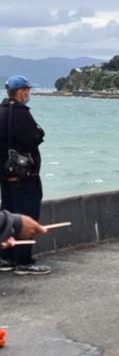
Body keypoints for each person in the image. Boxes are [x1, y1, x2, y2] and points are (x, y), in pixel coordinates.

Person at [0, 75, 50, 275]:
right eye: (27, 90)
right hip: (25, 176)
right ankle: (24, 261)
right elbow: (35, 137)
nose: (28, 94)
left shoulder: (1, 111)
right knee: (26, 216)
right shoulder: (21, 113)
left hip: (5, 176)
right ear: (21, 92)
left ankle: (6, 258)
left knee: (8, 215)